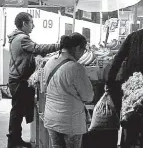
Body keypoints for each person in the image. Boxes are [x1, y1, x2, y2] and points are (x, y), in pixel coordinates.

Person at [6, 12, 59, 148]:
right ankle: (13, 142)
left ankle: (16, 139)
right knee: (17, 112)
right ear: (24, 23)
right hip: (19, 81)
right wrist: (58, 46)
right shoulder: (22, 38)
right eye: (31, 23)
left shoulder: (17, 37)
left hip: (16, 79)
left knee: (18, 111)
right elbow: (37, 48)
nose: (33, 26)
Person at [43, 33, 94, 148]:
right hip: (70, 121)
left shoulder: (50, 62)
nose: (82, 54)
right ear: (77, 48)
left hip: (51, 118)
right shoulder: (76, 68)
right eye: (83, 50)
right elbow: (88, 96)